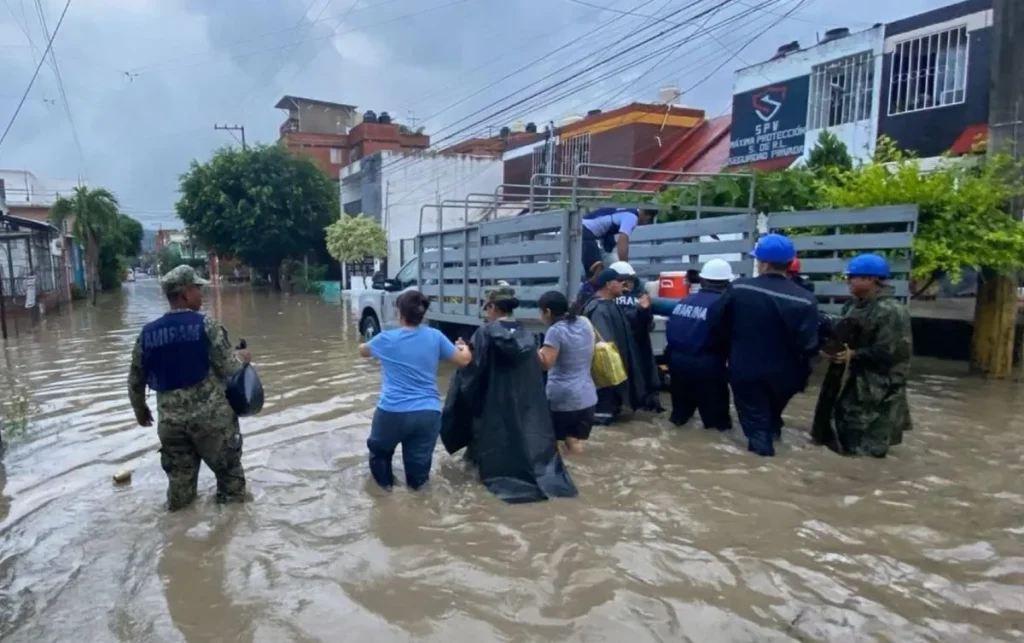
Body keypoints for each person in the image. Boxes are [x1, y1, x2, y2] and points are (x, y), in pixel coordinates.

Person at [127, 265, 251, 511]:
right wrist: (244, 358)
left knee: (180, 493)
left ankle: (179, 541)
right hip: (212, 422)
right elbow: (230, 369)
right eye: (196, 288)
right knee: (231, 484)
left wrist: (141, 411)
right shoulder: (206, 325)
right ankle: (229, 537)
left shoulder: (147, 334)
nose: (200, 293)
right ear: (184, 294)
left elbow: (135, 380)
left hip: (171, 426)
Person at [440, 286, 577, 503]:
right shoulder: (527, 334)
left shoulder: (485, 333)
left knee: (479, 457)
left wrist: (463, 351)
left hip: (492, 407)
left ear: (493, 307)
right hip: (521, 406)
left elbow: (472, 372)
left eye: (487, 308)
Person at [705, 234, 819, 456]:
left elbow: (716, 323)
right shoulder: (806, 299)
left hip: (747, 372)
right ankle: (774, 441)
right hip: (788, 376)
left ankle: (762, 469)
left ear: (763, 263)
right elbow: (809, 345)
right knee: (772, 417)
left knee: (757, 429)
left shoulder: (740, 289)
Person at [359, 290, 472, 490]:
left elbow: (363, 351)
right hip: (427, 413)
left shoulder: (386, 339)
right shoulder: (436, 337)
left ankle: (385, 498)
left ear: (399, 313)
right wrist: (464, 348)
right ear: (423, 314)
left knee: (380, 454)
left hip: (391, 412)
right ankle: (419, 508)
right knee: (419, 475)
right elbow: (463, 361)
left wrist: (368, 343)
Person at [814, 254, 913, 457]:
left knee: (869, 447)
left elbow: (891, 352)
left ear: (871, 279)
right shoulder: (853, 306)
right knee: (842, 435)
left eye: (853, 277)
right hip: (851, 384)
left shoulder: (891, 311)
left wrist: (853, 354)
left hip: (880, 390)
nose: (848, 281)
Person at [583, 268, 658, 425]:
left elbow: (626, 323)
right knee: (604, 418)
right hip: (605, 380)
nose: (624, 285)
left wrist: (641, 309)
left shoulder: (610, 304)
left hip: (615, 374)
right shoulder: (599, 308)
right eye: (619, 282)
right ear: (608, 284)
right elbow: (602, 348)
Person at [665, 258, 733, 431]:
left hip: (677, 363)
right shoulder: (724, 304)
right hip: (708, 365)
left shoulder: (685, 301)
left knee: (679, 418)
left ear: (702, 280)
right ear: (727, 282)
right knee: (716, 426)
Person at [537, 291, 597, 455]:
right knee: (575, 442)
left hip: (564, 400)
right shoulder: (584, 322)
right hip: (588, 397)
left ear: (548, 312)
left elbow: (546, 364)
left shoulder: (555, 331)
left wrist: (531, 349)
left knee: (557, 445)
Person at [607, 261, 662, 412]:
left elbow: (647, 321)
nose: (627, 284)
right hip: (621, 345)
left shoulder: (640, 295)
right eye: (623, 280)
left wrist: (644, 312)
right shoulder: (608, 299)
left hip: (638, 343)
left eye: (629, 280)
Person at [580, 207, 657, 281]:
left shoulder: (627, 209)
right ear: (648, 217)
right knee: (595, 271)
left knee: (609, 263)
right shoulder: (632, 217)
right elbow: (623, 240)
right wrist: (625, 266)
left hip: (594, 231)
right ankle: (588, 290)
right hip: (586, 230)